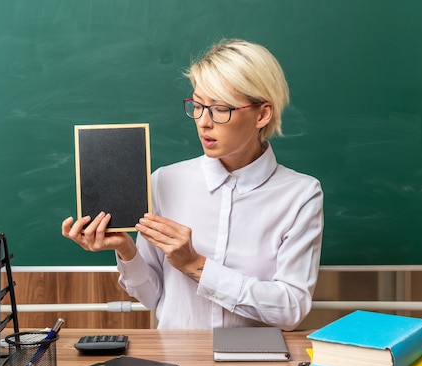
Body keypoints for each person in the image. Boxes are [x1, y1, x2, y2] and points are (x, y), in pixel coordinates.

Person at [62, 39, 323, 330]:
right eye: (197, 106)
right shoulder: (164, 181)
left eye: (220, 109)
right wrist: (126, 250)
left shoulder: (300, 195)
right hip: (177, 361)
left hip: (254, 365)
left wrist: (195, 264)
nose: (203, 122)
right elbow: (152, 297)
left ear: (261, 114)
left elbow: (290, 308)